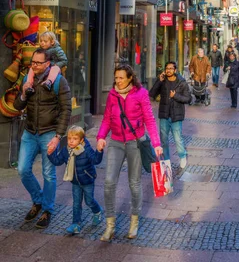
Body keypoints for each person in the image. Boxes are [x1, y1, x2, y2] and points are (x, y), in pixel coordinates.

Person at [96, 63, 163, 241]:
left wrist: (156, 143)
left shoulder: (140, 94)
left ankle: (134, 222)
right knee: (109, 182)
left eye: (120, 78)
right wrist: (101, 137)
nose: (117, 81)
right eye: (115, 78)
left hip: (135, 142)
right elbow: (107, 119)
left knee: (134, 183)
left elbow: (149, 118)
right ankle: (110, 225)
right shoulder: (112, 94)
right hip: (116, 141)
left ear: (130, 78)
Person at [13, 47, 71, 229]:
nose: (34, 65)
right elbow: (17, 105)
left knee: (48, 174)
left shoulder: (58, 82)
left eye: (38, 63)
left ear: (48, 64)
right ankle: (38, 201)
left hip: (49, 133)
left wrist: (58, 136)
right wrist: (23, 93)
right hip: (30, 132)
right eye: (33, 62)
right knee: (23, 169)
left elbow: (66, 110)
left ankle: (47, 210)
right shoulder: (27, 79)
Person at [48, 125, 103, 234]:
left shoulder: (86, 149)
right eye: (69, 138)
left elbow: (96, 160)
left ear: (81, 140)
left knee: (89, 201)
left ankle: (97, 211)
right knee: (76, 203)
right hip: (75, 182)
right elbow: (57, 161)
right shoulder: (66, 150)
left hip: (87, 181)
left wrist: (99, 150)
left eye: (75, 139)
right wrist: (50, 153)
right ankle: (76, 224)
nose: (71, 141)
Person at [149, 61, 191, 169]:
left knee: (178, 138)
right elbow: (152, 94)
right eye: (167, 68)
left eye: (171, 68)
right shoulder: (162, 81)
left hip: (176, 116)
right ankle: (166, 160)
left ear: (175, 70)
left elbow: (188, 98)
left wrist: (176, 96)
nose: (168, 70)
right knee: (163, 140)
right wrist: (159, 80)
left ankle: (182, 156)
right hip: (164, 115)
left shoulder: (181, 82)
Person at [24, 31, 68, 95]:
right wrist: (33, 63)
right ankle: (28, 85)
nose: (42, 43)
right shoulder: (39, 50)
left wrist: (56, 64)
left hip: (52, 67)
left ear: (52, 42)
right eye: (41, 41)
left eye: (45, 41)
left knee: (55, 68)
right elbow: (33, 58)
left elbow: (64, 60)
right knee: (32, 68)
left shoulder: (57, 49)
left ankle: (48, 82)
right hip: (42, 67)